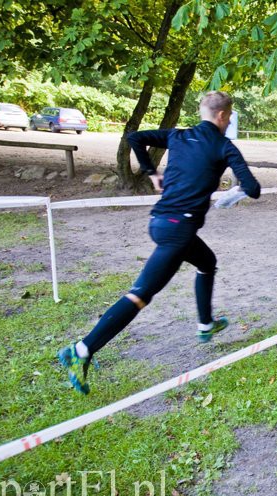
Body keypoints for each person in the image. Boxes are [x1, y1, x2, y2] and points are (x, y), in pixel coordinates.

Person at [57, 91, 261, 395]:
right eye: (229, 116)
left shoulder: (177, 137)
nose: (229, 120)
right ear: (222, 116)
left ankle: (206, 325)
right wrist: (236, 191)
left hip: (161, 223)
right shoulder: (223, 145)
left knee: (207, 263)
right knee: (140, 295)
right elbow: (254, 188)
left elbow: (135, 137)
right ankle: (81, 350)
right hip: (177, 231)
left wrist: (152, 173)